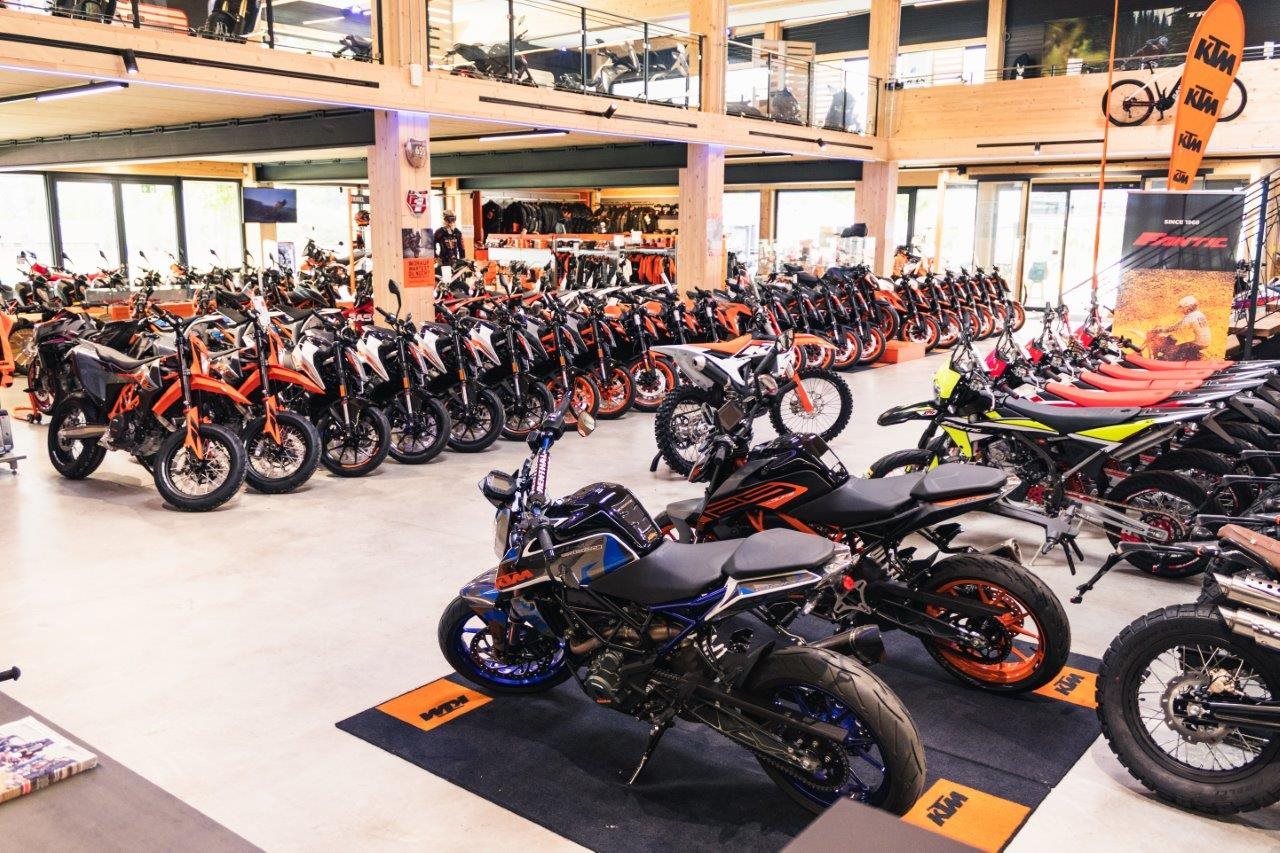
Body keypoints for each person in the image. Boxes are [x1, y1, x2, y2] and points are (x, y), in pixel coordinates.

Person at [1151, 294, 1211, 360]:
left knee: (1170, 352)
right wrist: (1163, 330)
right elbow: (1177, 325)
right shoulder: (1198, 314)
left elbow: (1180, 332)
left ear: (1187, 307)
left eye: (1182, 308)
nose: (1182, 310)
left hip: (1197, 344)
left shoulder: (1190, 318)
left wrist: (1164, 336)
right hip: (1204, 342)